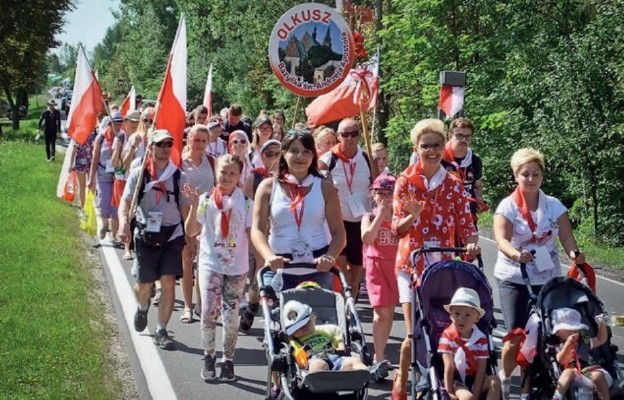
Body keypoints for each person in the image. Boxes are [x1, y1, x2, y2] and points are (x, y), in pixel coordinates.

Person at [391, 118, 480, 400]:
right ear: (416, 148)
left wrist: (472, 244)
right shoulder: (405, 181)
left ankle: (440, 381)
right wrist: (412, 215)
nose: (431, 150)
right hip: (411, 263)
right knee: (412, 333)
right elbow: (396, 229)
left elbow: (466, 224)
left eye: (437, 145)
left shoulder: (453, 183)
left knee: (441, 327)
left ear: (444, 147)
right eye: (426, 145)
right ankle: (402, 378)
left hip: (443, 265)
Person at [493, 148, 585, 400]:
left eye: (536, 174)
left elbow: (566, 237)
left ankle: (531, 384)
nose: (531, 179)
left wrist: (575, 254)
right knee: (517, 334)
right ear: (516, 176)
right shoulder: (508, 206)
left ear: (542, 175)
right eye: (526, 174)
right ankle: (505, 377)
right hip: (515, 276)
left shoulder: (554, 205)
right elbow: (501, 239)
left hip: (547, 278)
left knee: (546, 334)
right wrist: (515, 253)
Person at [118, 129, 189, 350]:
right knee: (144, 286)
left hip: (172, 235)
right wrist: (123, 224)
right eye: (160, 144)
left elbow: (185, 209)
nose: (165, 148)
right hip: (145, 235)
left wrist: (191, 238)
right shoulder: (139, 174)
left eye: (169, 143)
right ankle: (142, 308)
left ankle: (161, 330)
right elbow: (126, 202)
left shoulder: (179, 176)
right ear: (151, 147)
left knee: (168, 282)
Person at [183, 154, 252, 382]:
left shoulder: (247, 202)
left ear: (240, 176)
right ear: (215, 172)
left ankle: (228, 360)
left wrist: (259, 265)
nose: (227, 177)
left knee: (231, 317)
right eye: (223, 172)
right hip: (210, 264)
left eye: (233, 173)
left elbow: (253, 234)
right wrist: (194, 206)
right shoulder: (205, 199)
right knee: (208, 313)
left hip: (236, 267)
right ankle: (209, 356)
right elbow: (192, 230)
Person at [251, 130, 345, 284]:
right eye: (294, 151)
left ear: (313, 155)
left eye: (306, 151)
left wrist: (330, 257)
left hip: (317, 269)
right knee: (276, 308)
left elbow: (339, 232)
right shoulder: (268, 187)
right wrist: (269, 256)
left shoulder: (325, 188)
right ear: (284, 153)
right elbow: (257, 230)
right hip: (279, 268)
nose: (300, 157)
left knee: (316, 308)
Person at [319, 118, 371, 300]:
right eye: (345, 134)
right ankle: (340, 308)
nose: (349, 138)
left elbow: (378, 186)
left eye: (354, 134)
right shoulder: (328, 160)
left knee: (355, 274)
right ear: (338, 136)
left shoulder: (366, 157)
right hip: (337, 223)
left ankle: (351, 311)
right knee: (340, 273)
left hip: (360, 222)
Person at [239, 139, 281, 333]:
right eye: (269, 154)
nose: (273, 157)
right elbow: (245, 206)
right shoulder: (255, 178)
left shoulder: (290, 178)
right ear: (262, 156)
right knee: (259, 276)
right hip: (259, 234)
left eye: (277, 153)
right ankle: (253, 304)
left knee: (275, 277)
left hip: (280, 235)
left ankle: (272, 317)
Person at [284, 300, 388, 377]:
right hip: (313, 359)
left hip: (335, 356)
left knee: (354, 361)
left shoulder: (325, 329)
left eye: (307, 323)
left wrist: (340, 345)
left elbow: (336, 333)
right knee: (317, 365)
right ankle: (322, 381)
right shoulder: (294, 340)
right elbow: (296, 352)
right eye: (298, 328)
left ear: (313, 318)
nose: (304, 328)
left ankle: (369, 373)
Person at [361, 174, 399, 366]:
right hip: (376, 267)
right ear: (373, 195)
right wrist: (381, 216)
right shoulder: (369, 216)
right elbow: (367, 238)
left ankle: (381, 349)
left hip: (395, 267)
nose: (384, 198)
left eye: (388, 193)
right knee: (381, 311)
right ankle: (378, 355)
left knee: (390, 311)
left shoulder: (400, 217)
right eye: (379, 193)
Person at [179, 125, 216, 324]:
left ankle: (201, 304)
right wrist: (189, 232)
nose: (200, 144)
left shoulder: (212, 161)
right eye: (196, 140)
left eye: (203, 140)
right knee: (186, 263)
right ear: (189, 139)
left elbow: (218, 190)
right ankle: (187, 307)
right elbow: (178, 195)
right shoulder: (179, 163)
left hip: (208, 220)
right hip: (185, 216)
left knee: (204, 264)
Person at [439, 288, 501, 400]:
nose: (461, 319)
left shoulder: (481, 338)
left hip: (475, 378)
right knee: (467, 397)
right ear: (451, 315)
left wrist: (476, 394)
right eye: (457, 314)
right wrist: (449, 393)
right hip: (455, 380)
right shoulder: (447, 336)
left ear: (476, 318)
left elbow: (482, 369)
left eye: (467, 315)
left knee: (495, 381)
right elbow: (449, 366)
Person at [550, 308, 611, 400]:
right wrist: (568, 344)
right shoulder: (558, 346)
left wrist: (601, 325)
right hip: (577, 376)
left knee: (596, 375)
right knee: (567, 372)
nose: (574, 332)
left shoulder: (584, 340)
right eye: (569, 329)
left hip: (592, 371)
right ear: (557, 332)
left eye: (576, 329)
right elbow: (560, 360)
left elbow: (600, 339)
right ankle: (556, 397)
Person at [442, 118, 486, 227]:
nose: (463, 139)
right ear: (450, 136)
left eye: (468, 136)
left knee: (470, 244)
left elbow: (478, 185)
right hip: (444, 215)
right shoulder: (440, 158)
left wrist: (479, 201)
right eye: (459, 135)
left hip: (468, 216)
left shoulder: (475, 160)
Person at [88, 112, 124, 240]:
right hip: (103, 174)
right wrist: (91, 177)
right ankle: (104, 224)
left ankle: (113, 234)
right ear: (109, 124)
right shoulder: (100, 138)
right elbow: (95, 158)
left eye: (120, 123)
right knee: (104, 201)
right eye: (115, 123)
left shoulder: (123, 137)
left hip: (117, 177)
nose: (118, 126)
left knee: (116, 206)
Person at [71, 128, 98, 208]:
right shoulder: (79, 132)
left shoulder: (94, 131)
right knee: (82, 185)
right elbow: (74, 149)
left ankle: (90, 206)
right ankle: (83, 207)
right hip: (81, 161)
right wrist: (70, 164)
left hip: (91, 162)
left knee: (92, 184)